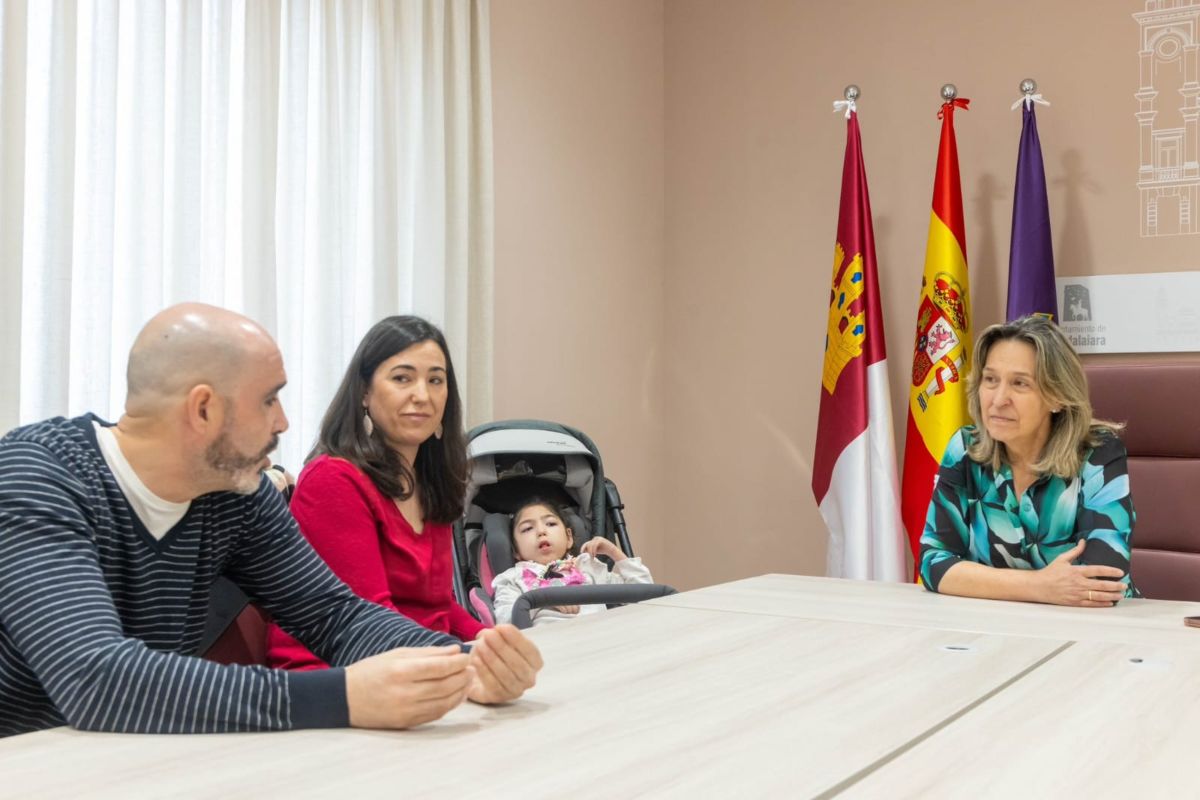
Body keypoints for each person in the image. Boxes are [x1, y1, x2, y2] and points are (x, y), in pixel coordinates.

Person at [0, 303, 541, 738]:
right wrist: (343, 696)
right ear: (203, 409)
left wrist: (464, 664)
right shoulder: (37, 477)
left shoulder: (234, 491)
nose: (283, 422)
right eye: (269, 400)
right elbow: (94, 677)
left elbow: (336, 617)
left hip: (134, 757)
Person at [266, 316, 486, 670]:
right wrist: (467, 658)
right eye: (402, 378)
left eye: (435, 380)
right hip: (339, 677)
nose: (422, 395)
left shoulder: (432, 480)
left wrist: (488, 638)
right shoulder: (333, 480)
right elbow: (368, 622)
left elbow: (439, 606)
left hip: (426, 665)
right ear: (364, 392)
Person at [919, 315, 1136, 606]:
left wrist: (980, 580)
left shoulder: (1098, 453)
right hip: (995, 627)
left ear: (1057, 396)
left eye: (1020, 384)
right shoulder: (966, 449)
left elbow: (1101, 582)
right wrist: (1038, 586)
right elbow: (933, 563)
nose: (998, 400)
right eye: (991, 380)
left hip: (1090, 628)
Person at [491, 498, 653, 626]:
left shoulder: (587, 567)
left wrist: (615, 553)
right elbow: (505, 621)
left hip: (601, 638)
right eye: (527, 528)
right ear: (516, 551)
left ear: (569, 537)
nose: (541, 531)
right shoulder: (512, 578)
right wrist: (545, 600)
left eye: (551, 524)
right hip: (549, 647)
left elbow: (646, 597)